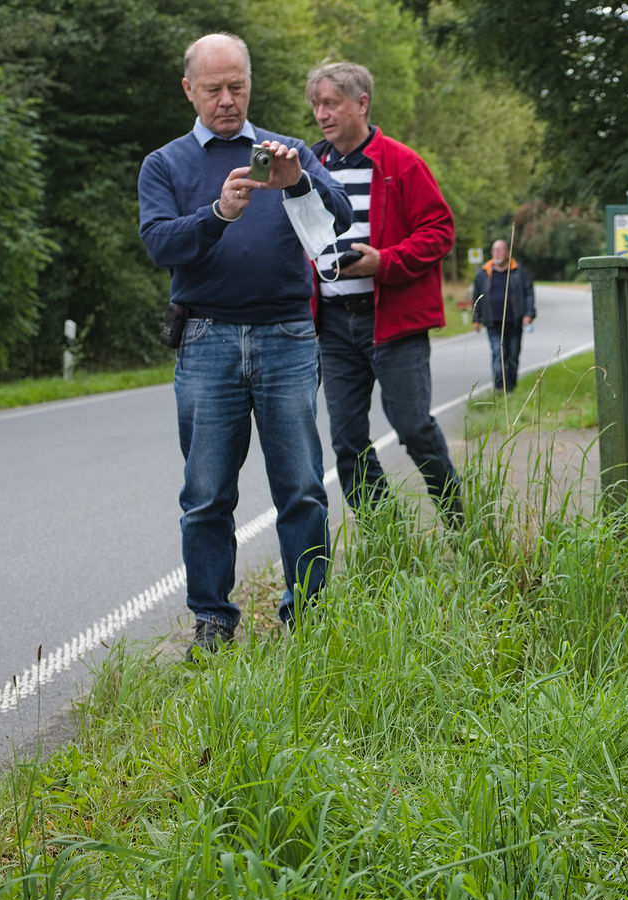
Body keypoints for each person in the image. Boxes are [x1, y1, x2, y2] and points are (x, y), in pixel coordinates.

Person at [137, 33, 352, 657]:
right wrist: (219, 214)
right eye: (213, 89)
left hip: (286, 335)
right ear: (189, 90)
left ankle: (308, 617)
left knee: (302, 486)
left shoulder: (284, 151)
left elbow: (337, 219)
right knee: (206, 492)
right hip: (206, 338)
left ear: (250, 84)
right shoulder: (166, 164)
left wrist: (296, 184)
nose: (228, 100)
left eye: (238, 87)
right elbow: (160, 244)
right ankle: (212, 621)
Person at [306, 61, 464, 528]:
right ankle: (386, 538)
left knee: (413, 427)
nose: (321, 114)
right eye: (316, 105)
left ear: (362, 103)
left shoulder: (401, 162)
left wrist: (385, 262)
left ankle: (462, 527)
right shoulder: (308, 168)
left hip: (391, 319)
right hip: (333, 325)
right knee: (348, 442)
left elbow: (440, 231)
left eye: (330, 103)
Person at [470, 239, 535, 392]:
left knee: (512, 357)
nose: (497, 253)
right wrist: (476, 319)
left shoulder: (519, 272)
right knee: (498, 355)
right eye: (495, 250)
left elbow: (529, 293)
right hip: (493, 323)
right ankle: (500, 388)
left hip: (514, 322)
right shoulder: (483, 273)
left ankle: (511, 388)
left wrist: (528, 314)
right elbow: (476, 297)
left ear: (507, 252)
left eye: (501, 250)